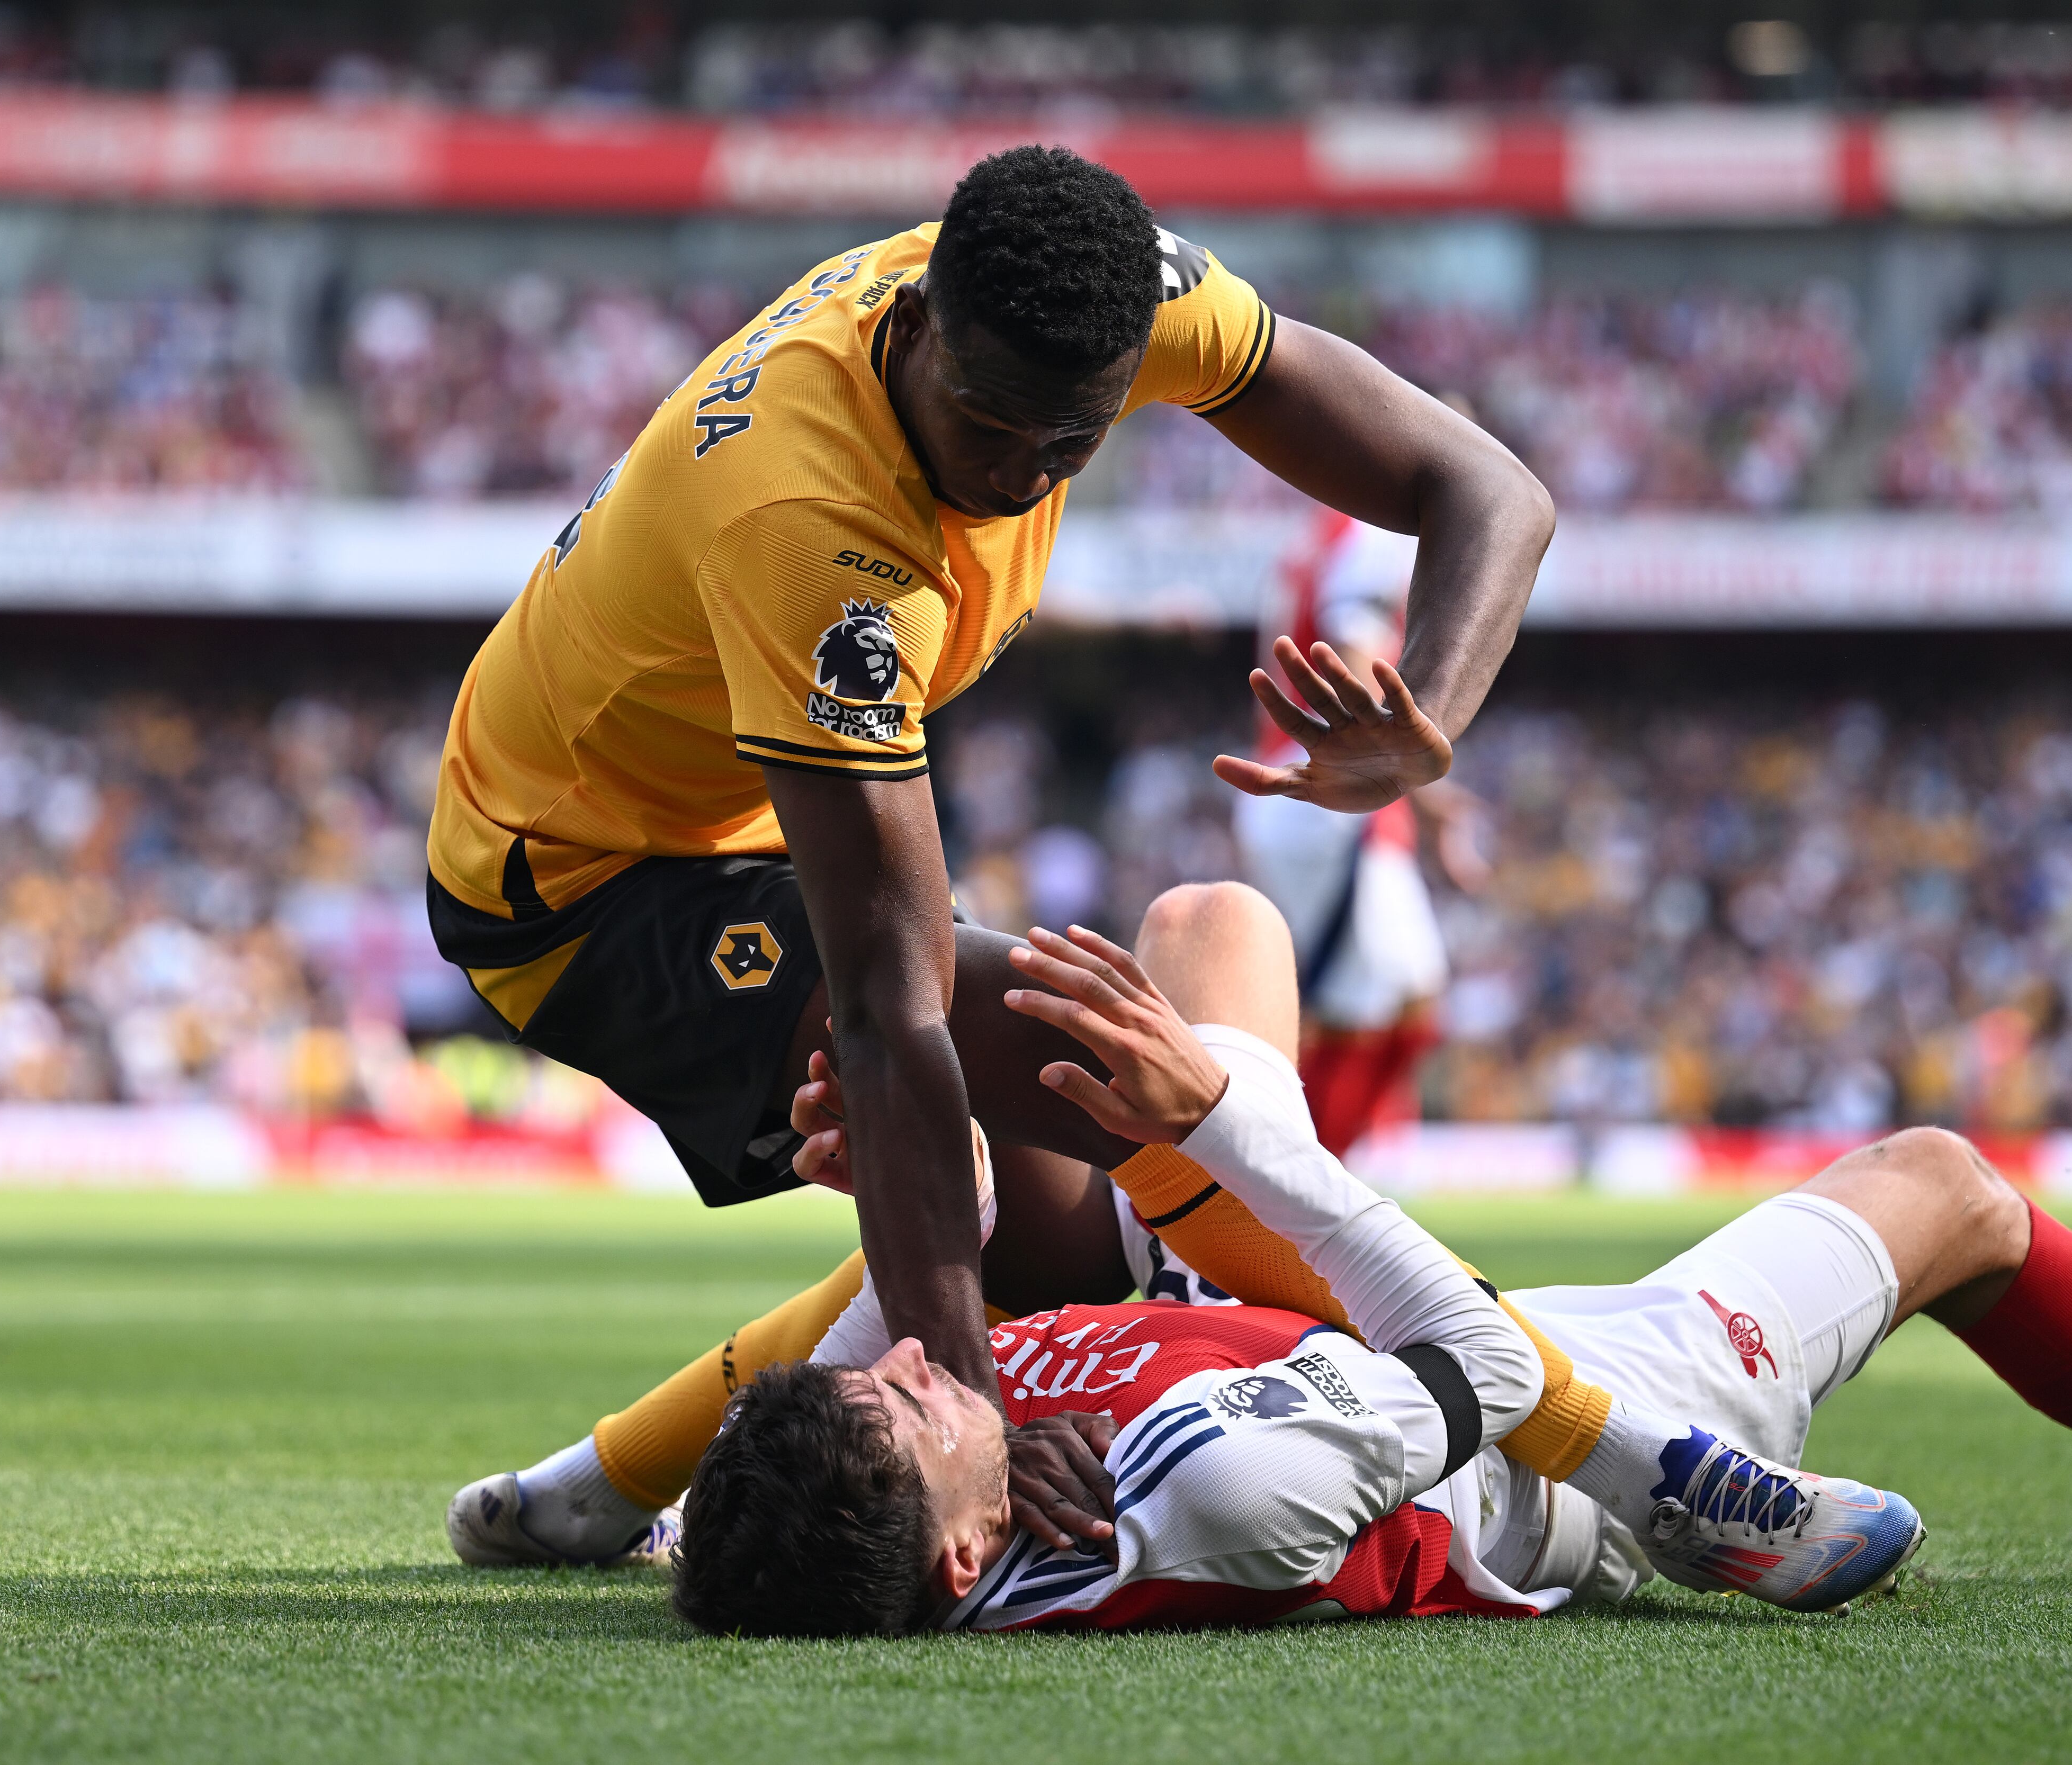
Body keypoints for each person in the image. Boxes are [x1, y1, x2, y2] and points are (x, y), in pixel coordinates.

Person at [447, 886, 2072, 1631]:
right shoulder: (1223, 1492)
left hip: (1246, 1329)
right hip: (1545, 1414)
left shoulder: (909, 1504)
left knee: (1196, 932)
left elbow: (876, 1363)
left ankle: (579, 1481)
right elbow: (1471, 1350)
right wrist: (1220, 1131)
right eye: (911, 1407)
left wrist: (935, 1200)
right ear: (973, 1557)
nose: (918, 1367)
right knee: (1947, 1184)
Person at [423, 143, 1555, 1429]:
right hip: (583, 879)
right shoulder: (807, 528)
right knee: (1128, 1088)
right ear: (915, 326)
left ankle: (598, 1483)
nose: (1021, 471)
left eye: (1072, 437)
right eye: (988, 417)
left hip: (745, 810)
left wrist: (1426, 719)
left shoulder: (1136, 300)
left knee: (1062, 1246)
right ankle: (1547, 1404)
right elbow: (888, 1012)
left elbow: (1491, 489)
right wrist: (973, 1429)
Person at [1233, 510, 1490, 1156]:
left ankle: (1323, 1170)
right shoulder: (1371, 531)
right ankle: (1291, 1182)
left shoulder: (1321, 535)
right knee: (1358, 1005)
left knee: (1411, 994)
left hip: (1336, 800)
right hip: (1329, 801)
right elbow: (1353, 663)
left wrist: (1421, 804)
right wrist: (1419, 787)